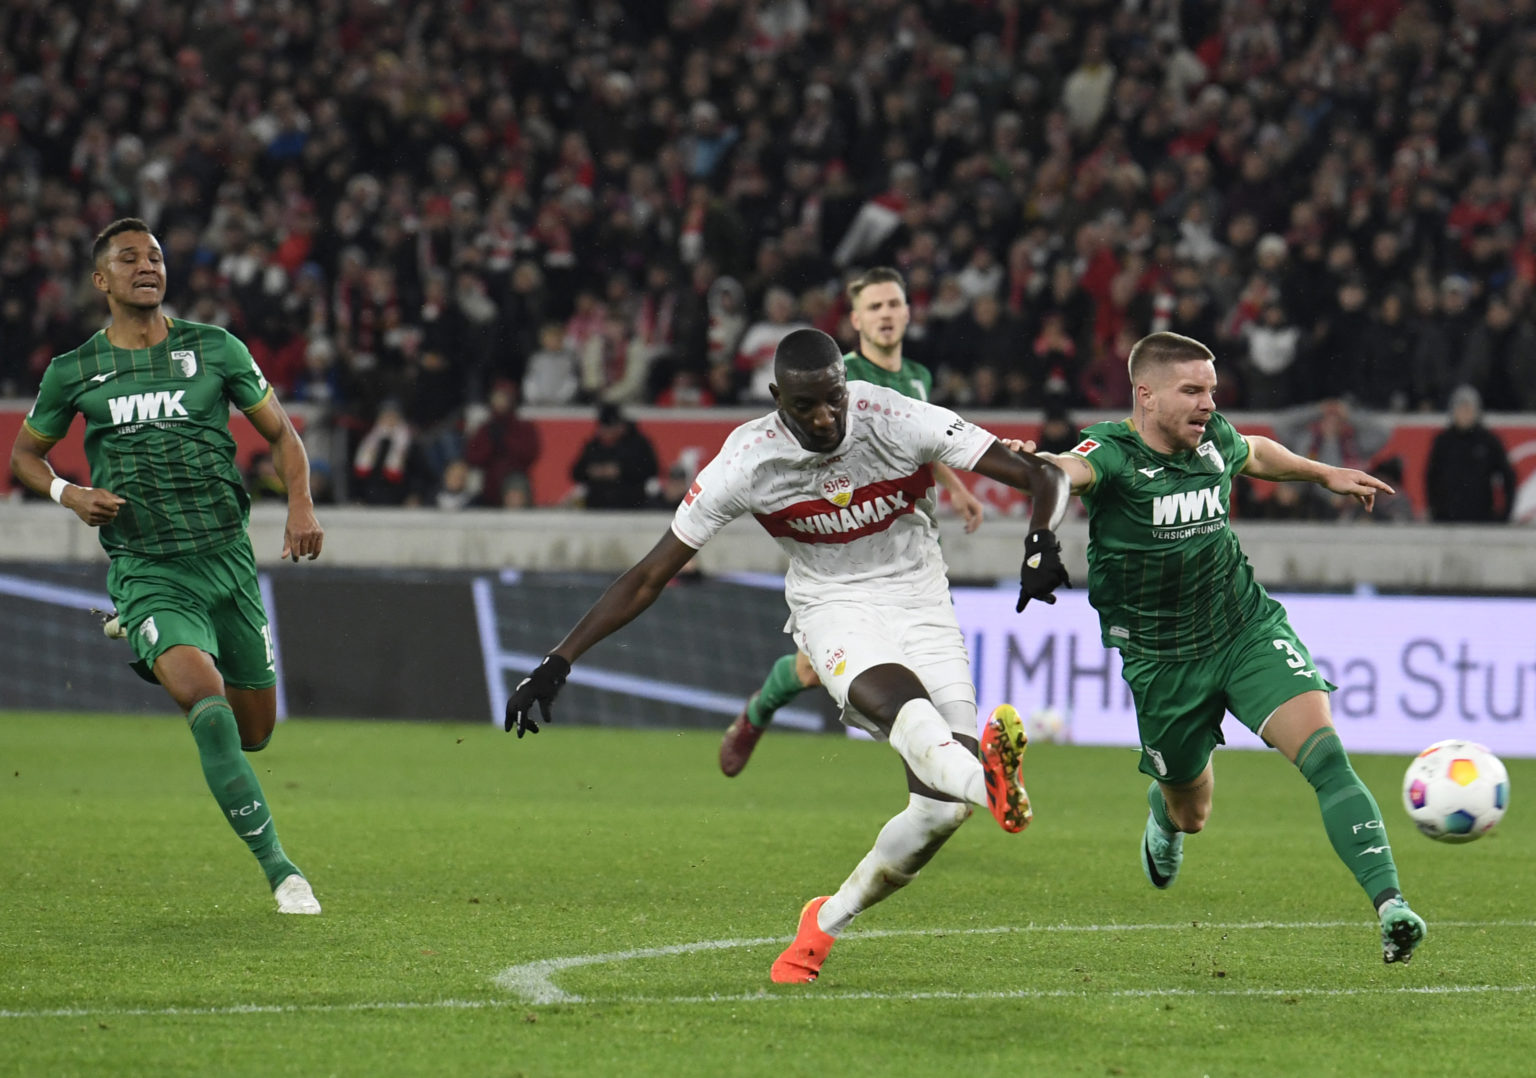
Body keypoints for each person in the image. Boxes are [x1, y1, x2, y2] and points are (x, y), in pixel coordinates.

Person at [503, 328, 1071, 983]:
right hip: (832, 604)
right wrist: (559, 659)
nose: (826, 417)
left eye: (835, 400)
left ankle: (824, 923)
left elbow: (1040, 473)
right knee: (910, 717)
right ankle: (993, 786)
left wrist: (1040, 544)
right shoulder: (746, 461)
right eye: (807, 406)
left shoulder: (895, 416)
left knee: (940, 810)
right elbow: (650, 574)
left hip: (920, 600)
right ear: (778, 398)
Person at [1023, 330, 1425, 964]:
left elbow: (1257, 451)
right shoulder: (1114, 453)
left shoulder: (1212, 439)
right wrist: (1041, 539)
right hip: (1162, 660)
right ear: (1146, 395)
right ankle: (1164, 809)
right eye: (1192, 390)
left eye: (1211, 389)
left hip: (1243, 628)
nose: (1209, 402)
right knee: (1193, 813)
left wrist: (1325, 474)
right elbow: (1056, 472)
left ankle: (1391, 905)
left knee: (1326, 759)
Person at [9, 218, 324, 915]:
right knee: (205, 707)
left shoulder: (215, 349)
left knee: (254, 732)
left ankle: (151, 634)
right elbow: (24, 459)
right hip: (148, 565)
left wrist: (300, 504)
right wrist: (71, 493)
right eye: (128, 258)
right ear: (102, 279)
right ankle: (283, 873)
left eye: (154, 256)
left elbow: (282, 433)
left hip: (228, 565)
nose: (146, 266)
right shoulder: (75, 370)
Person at [718, 267, 988, 777]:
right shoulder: (837, 379)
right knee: (811, 669)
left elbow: (928, 439)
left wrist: (956, 489)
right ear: (856, 319)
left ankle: (939, 777)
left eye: (894, 304)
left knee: (895, 658)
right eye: (876, 306)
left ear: (908, 312)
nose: (886, 314)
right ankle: (756, 714)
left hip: (905, 539)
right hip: (842, 542)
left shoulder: (918, 378)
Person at [1425, 385, 1516, 522]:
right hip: (1448, 520)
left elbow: (1508, 477)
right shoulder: (1443, 442)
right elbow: (1431, 478)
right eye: (1460, 408)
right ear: (1452, 411)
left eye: (1469, 409)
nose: (1464, 413)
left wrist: (1505, 514)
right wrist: (1435, 510)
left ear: (1477, 411)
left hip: (1482, 519)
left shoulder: (1488, 441)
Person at [567, 402, 660, 509]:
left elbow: (651, 469)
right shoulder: (594, 445)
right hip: (597, 506)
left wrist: (620, 471)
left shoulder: (638, 444)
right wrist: (591, 471)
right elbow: (576, 472)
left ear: (621, 426)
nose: (605, 433)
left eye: (608, 428)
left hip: (631, 506)